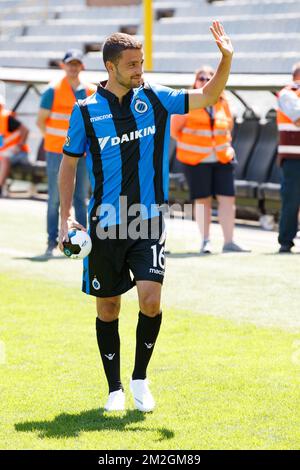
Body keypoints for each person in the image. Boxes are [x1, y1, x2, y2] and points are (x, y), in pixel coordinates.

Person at [58, 22, 233, 412]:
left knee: (150, 301)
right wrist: (65, 216)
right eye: (133, 65)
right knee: (109, 308)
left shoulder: (154, 98)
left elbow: (208, 96)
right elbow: (68, 165)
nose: (140, 71)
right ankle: (114, 390)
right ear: (110, 67)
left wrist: (227, 59)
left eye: (142, 63)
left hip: (147, 220)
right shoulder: (85, 110)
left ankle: (139, 379)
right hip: (104, 225)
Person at [171, 66, 250, 254]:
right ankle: (206, 241)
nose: (205, 81)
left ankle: (229, 242)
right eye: (201, 78)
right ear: (195, 82)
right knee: (202, 200)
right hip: (196, 160)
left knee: (228, 199)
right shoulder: (188, 103)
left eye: (209, 78)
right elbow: (175, 130)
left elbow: (228, 126)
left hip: (222, 157)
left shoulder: (223, 102)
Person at [37, 49, 96, 257]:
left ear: (82, 66)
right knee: (55, 197)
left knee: (81, 197)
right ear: (63, 65)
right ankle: (52, 242)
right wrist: (55, 142)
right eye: (70, 63)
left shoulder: (90, 90)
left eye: (77, 63)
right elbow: (41, 121)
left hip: (83, 154)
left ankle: (83, 239)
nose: (73, 67)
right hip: (57, 152)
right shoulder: (52, 90)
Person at [277, 61, 300, 253]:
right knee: (291, 199)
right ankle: (286, 241)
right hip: (294, 159)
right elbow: (298, 117)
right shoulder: (287, 93)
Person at [0, 93, 29, 197]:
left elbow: (25, 130)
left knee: (4, 158)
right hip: (5, 153)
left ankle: (0, 188)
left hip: (20, 154)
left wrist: (19, 145)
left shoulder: (6, 118)